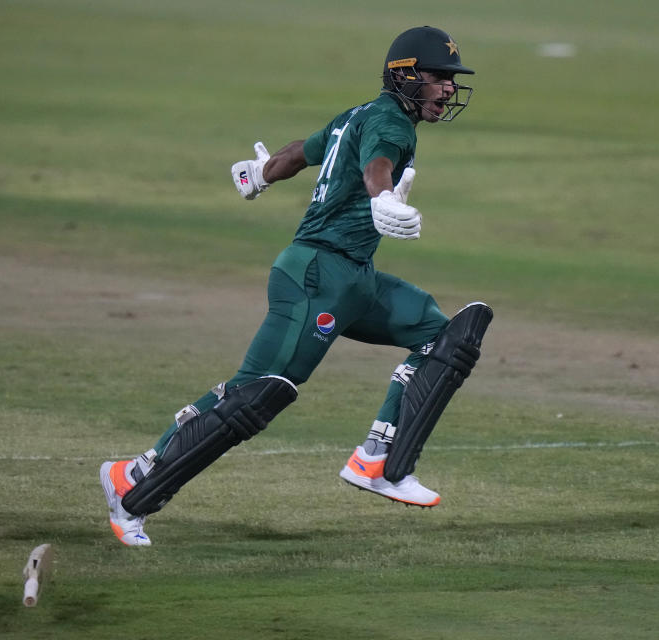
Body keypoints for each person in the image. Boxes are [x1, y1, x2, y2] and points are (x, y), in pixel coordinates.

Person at [100, 26, 492, 546]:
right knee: (256, 392)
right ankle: (134, 481)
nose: (447, 88)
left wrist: (261, 173)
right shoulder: (390, 123)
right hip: (316, 276)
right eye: (439, 77)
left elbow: (298, 153)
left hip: (353, 276)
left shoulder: (354, 115)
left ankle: (377, 459)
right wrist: (382, 199)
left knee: (444, 337)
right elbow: (378, 165)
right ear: (405, 76)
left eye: (451, 79)